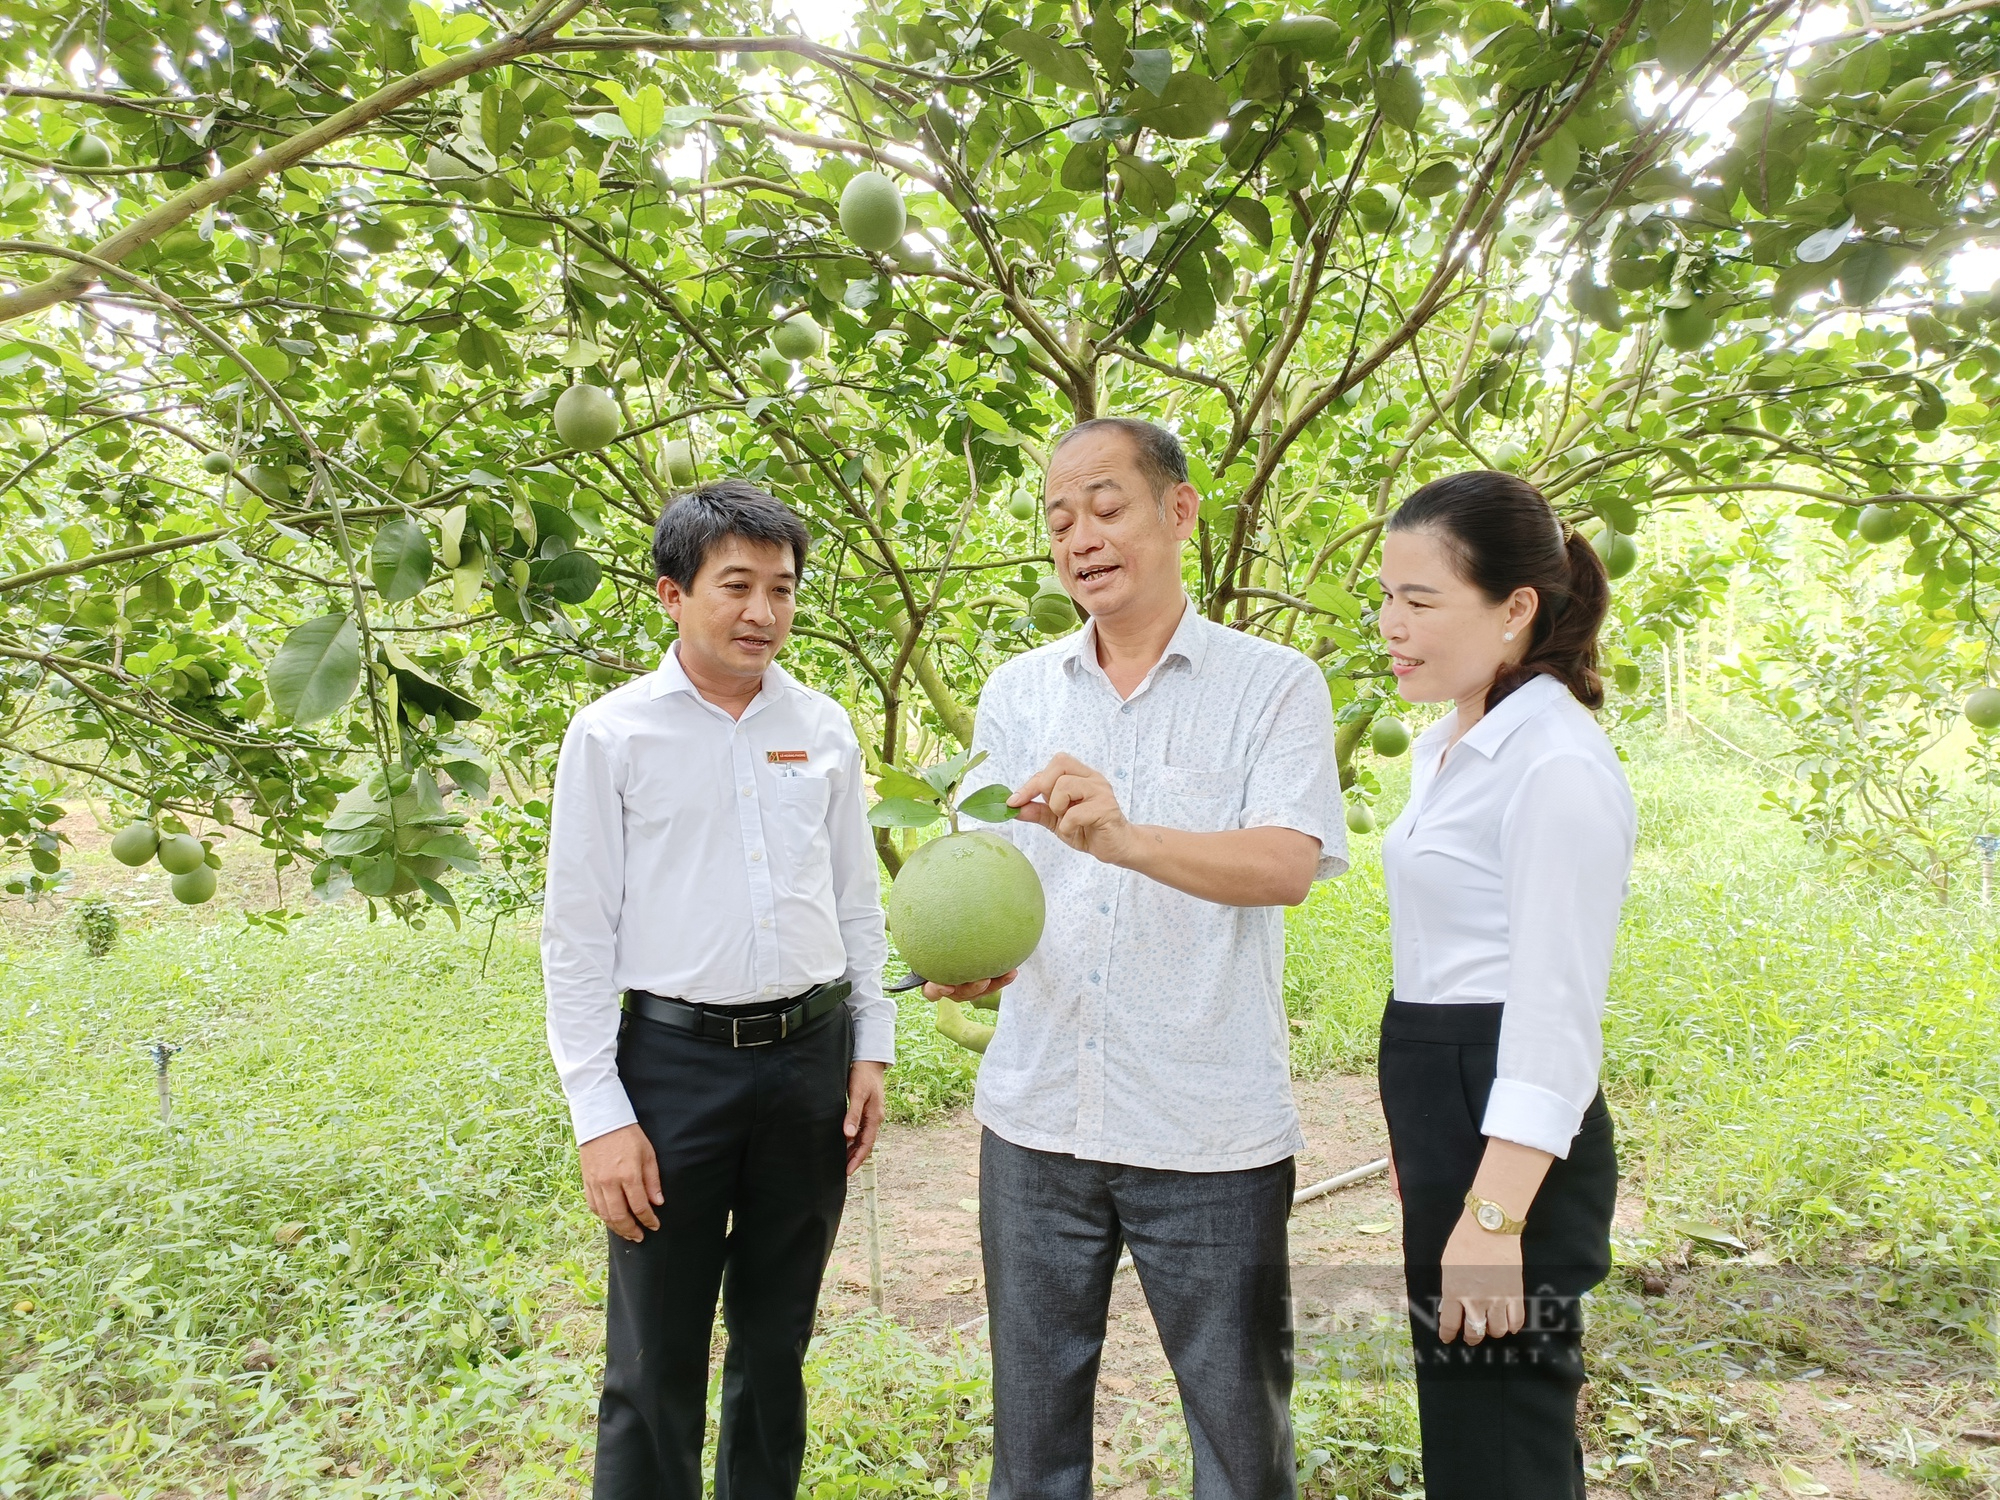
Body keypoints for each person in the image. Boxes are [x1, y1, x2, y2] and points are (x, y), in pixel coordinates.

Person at [928, 417, 1348, 1500]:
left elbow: (1285, 864)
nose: (1080, 536)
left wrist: (1125, 837)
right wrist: (968, 956)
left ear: (1179, 509)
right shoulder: (1018, 693)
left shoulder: (1273, 685)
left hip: (1204, 1126)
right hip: (1036, 1118)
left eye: (1105, 505)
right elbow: (996, 874)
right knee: (1030, 1444)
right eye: (1057, 517)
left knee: (1239, 1443)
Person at [540, 480, 894, 1500]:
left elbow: (854, 902)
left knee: (775, 1343)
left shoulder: (820, 727)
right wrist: (598, 1114)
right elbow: (575, 937)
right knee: (654, 1359)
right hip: (671, 1071)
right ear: (670, 595)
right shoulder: (611, 735)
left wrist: (870, 1045)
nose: (762, 614)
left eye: (781, 590)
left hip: (808, 1065)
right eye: (735, 586)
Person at [1372, 470, 1635, 1498]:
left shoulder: (1554, 765)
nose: (1390, 625)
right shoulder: (1456, 745)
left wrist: (1492, 1217)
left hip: (1507, 1122)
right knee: (1473, 1430)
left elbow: (1553, 1015)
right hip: (1452, 1107)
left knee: (1500, 1441)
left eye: (1419, 601)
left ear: (1514, 608)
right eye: (1385, 597)